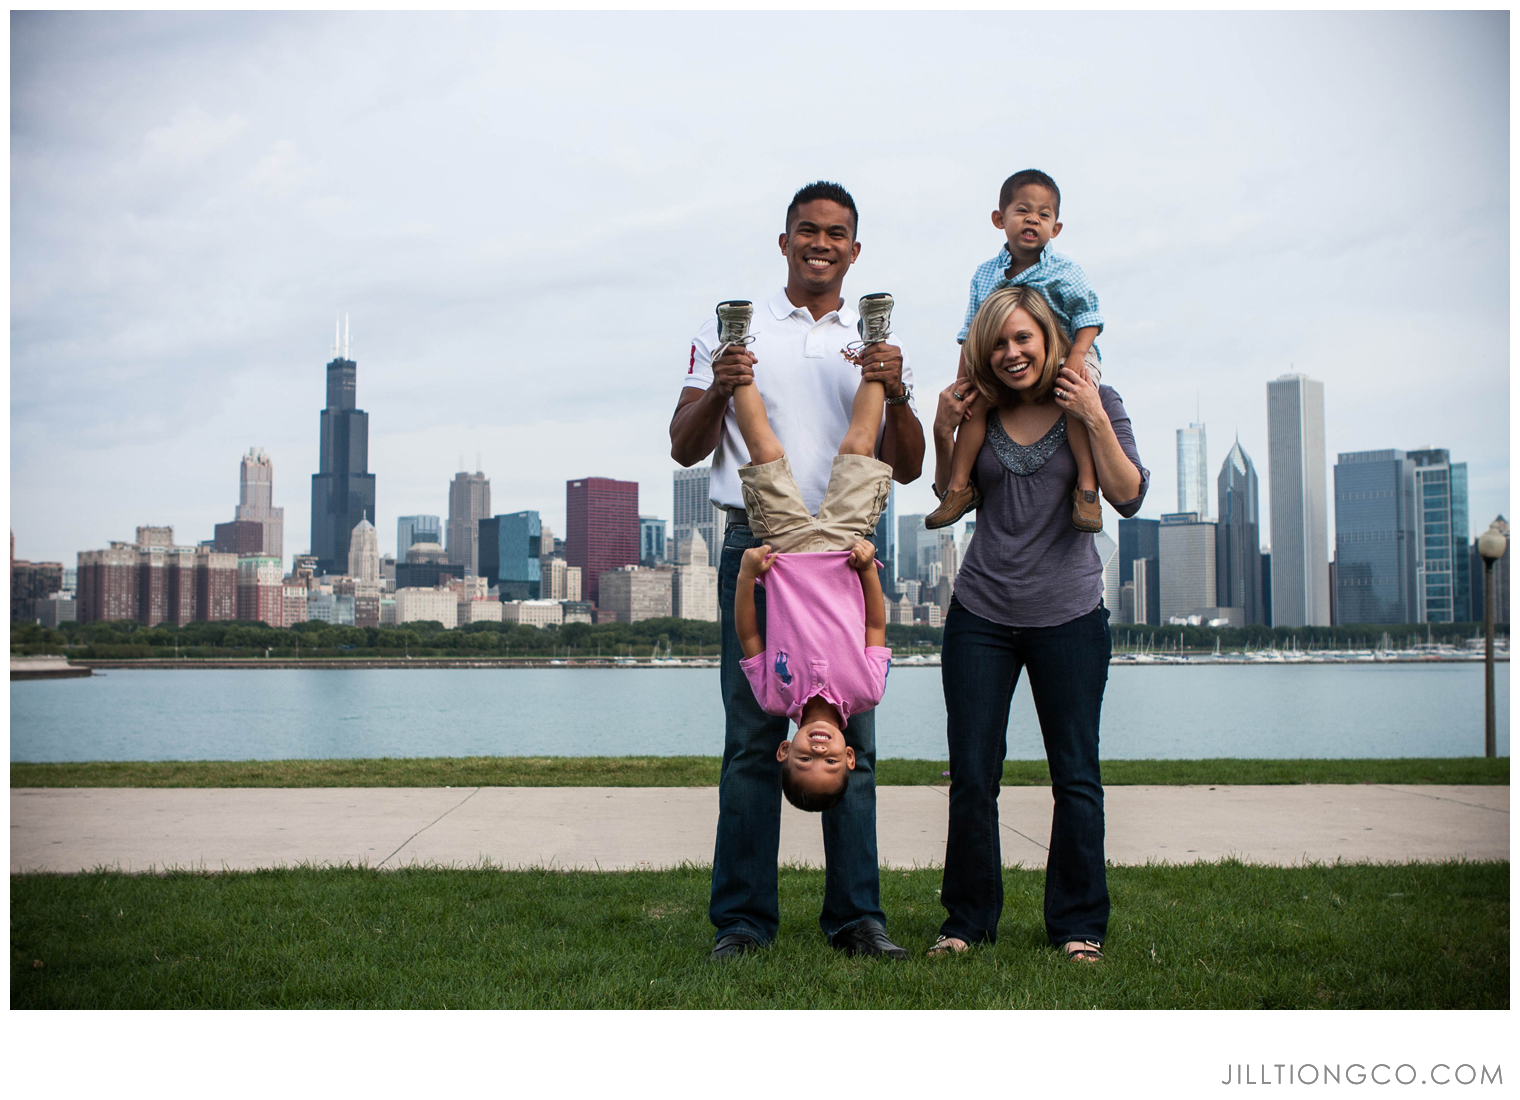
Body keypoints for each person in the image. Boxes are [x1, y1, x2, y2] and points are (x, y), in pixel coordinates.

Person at [668, 181, 925, 962]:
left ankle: (857, 920)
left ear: (854, 249)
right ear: (785, 242)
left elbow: (908, 468)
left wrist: (899, 389)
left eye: (836, 233)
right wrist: (722, 379)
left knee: (857, 747)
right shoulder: (730, 338)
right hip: (762, 545)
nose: (821, 243)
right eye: (807, 231)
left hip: (849, 549)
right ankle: (742, 923)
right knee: (752, 740)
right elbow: (683, 445)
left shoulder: (874, 341)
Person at [927, 284, 1148, 962]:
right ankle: (966, 922)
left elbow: (1129, 495)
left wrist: (1094, 415)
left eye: (1023, 338)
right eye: (998, 342)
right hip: (981, 615)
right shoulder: (984, 409)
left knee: (1075, 776)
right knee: (972, 775)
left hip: (1070, 616)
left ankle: (1079, 926)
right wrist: (943, 431)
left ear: (1049, 338)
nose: (1012, 352)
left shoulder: (1096, 402)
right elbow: (950, 496)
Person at [730, 364, 893, 813]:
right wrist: (867, 570)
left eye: (806, 758)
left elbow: (749, 636)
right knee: (860, 445)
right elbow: (876, 624)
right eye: (829, 760)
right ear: (849, 755)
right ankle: (877, 348)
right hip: (846, 549)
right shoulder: (866, 691)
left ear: (785, 751)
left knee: (764, 451)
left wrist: (748, 575)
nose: (818, 749)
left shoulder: (773, 696)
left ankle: (736, 352)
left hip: (783, 551)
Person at [925, 169, 1106, 534]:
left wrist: (1075, 358)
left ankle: (1087, 489)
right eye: (1023, 211)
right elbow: (971, 331)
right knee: (978, 402)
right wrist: (964, 382)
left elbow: (1089, 317)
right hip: (1011, 365)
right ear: (999, 219)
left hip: (1070, 353)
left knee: (1072, 396)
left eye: (1043, 215)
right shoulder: (986, 274)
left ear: (1055, 228)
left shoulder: (1065, 271)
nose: (1033, 220)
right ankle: (959, 488)